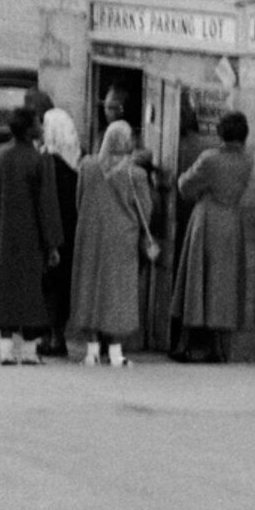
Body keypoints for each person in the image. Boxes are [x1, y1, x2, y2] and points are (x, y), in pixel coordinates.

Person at [0, 105, 63, 364]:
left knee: (3, 290)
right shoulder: (39, 160)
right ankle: (29, 352)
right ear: (29, 131)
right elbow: (46, 205)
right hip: (30, 238)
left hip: (2, 236)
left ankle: (5, 351)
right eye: (38, 123)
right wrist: (53, 244)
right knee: (30, 293)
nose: (41, 127)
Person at [169, 110, 253, 362]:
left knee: (195, 282)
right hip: (231, 221)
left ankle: (183, 345)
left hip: (206, 219)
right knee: (223, 286)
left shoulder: (210, 158)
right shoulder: (247, 161)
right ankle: (219, 349)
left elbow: (184, 186)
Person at [69, 117, 153, 366]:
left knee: (90, 289)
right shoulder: (135, 173)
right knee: (117, 292)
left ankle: (92, 351)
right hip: (122, 239)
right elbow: (145, 210)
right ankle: (116, 353)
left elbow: (79, 200)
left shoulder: (87, 166)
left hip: (90, 235)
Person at [37, 91, 81, 354]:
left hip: (50, 233)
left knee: (47, 284)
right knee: (62, 285)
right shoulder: (77, 164)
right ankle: (58, 335)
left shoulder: (46, 164)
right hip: (71, 232)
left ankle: (49, 337)